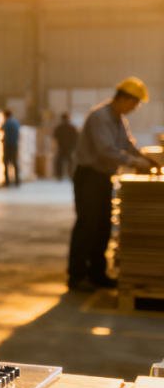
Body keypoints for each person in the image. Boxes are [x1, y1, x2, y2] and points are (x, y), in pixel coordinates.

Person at [67, 77, 158, 292]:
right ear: (124, 98)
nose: (135, 108)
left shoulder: (119, 118)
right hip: (88, 176)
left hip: (103, 177)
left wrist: (146, 158)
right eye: (134, 104)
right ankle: (77, 276)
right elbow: (106, 150)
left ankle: (97, 274)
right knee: (87, 225)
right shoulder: (100, 117)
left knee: (102, 227)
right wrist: (136, 163)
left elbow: (127, 144)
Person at [53, 112, 78, 180]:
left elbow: (55, 138)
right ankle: (71, 175)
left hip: (61, 147)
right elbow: (77, 138)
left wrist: (56, 147)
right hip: (70, 148)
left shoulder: (59, 127)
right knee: (71, 162)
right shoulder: (72, 127)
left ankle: (59, 175)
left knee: (59, 162)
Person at [2, 109, 20, 187]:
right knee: (15, 162)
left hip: (8, 145)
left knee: (6, 162)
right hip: (15, 145)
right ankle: (17, 180)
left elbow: (1, 129)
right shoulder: (16, 122)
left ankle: (7, 181)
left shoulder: (7, 122)